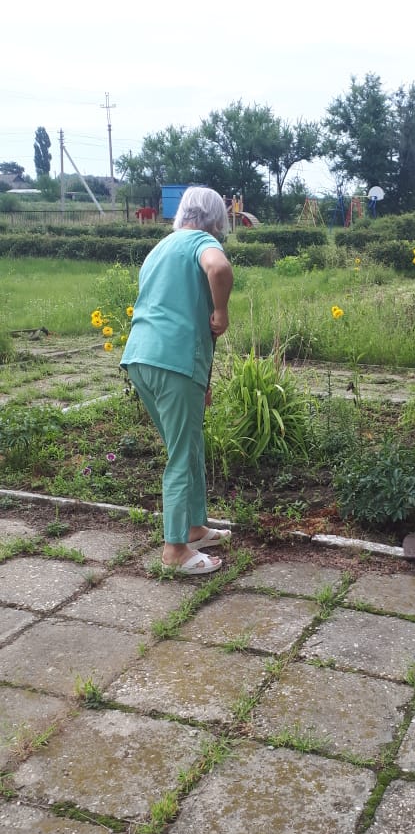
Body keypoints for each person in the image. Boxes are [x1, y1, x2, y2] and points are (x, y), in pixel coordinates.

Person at [121, 186, 234, 573]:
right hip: (173, 362)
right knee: (182, 454)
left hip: (141, 358)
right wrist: (221, 310)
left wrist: (201, 381)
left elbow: (174, 307)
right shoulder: (201, 242)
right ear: (216, 220)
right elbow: (218, 269)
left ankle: (194, 526)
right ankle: (175, 550)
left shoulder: (160, 249)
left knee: (188, 442)